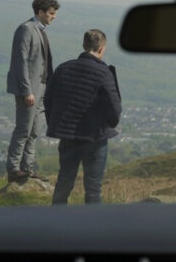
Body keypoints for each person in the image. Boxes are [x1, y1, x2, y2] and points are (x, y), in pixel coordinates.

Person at [44, 29, 122, 204]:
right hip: (95, 137)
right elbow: (114, 108)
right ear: (102, 48)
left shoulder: (63, 68)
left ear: (84, 46)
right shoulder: (104, 73)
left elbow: (48, 100)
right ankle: (91, 226)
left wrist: (58, 125)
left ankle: (55, 221)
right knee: (93, 188)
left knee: (64, 182)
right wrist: (110, 123)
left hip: (68, 135)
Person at [5, 0, 60, 182]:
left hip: (42, 88)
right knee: (23, 130)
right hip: (29, 90)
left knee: (34, 130)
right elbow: (20, 62)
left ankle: (27, 168)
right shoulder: (26, 29)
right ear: (40, 12)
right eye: (51, 13)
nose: (54, 17)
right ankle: (13, 169)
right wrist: (27, 90)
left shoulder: (40, 30)